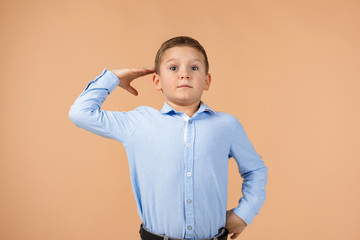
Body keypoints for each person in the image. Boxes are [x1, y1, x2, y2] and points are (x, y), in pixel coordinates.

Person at [69, 36, 268, 240]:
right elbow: (80, 113)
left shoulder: (227, 125)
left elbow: (255, 170)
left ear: (207, 81)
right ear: (157, 81)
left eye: (194, 68)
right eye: (173, 68)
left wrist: (244, 214)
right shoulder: (139, 122)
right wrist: (113, 78)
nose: (184, 74)